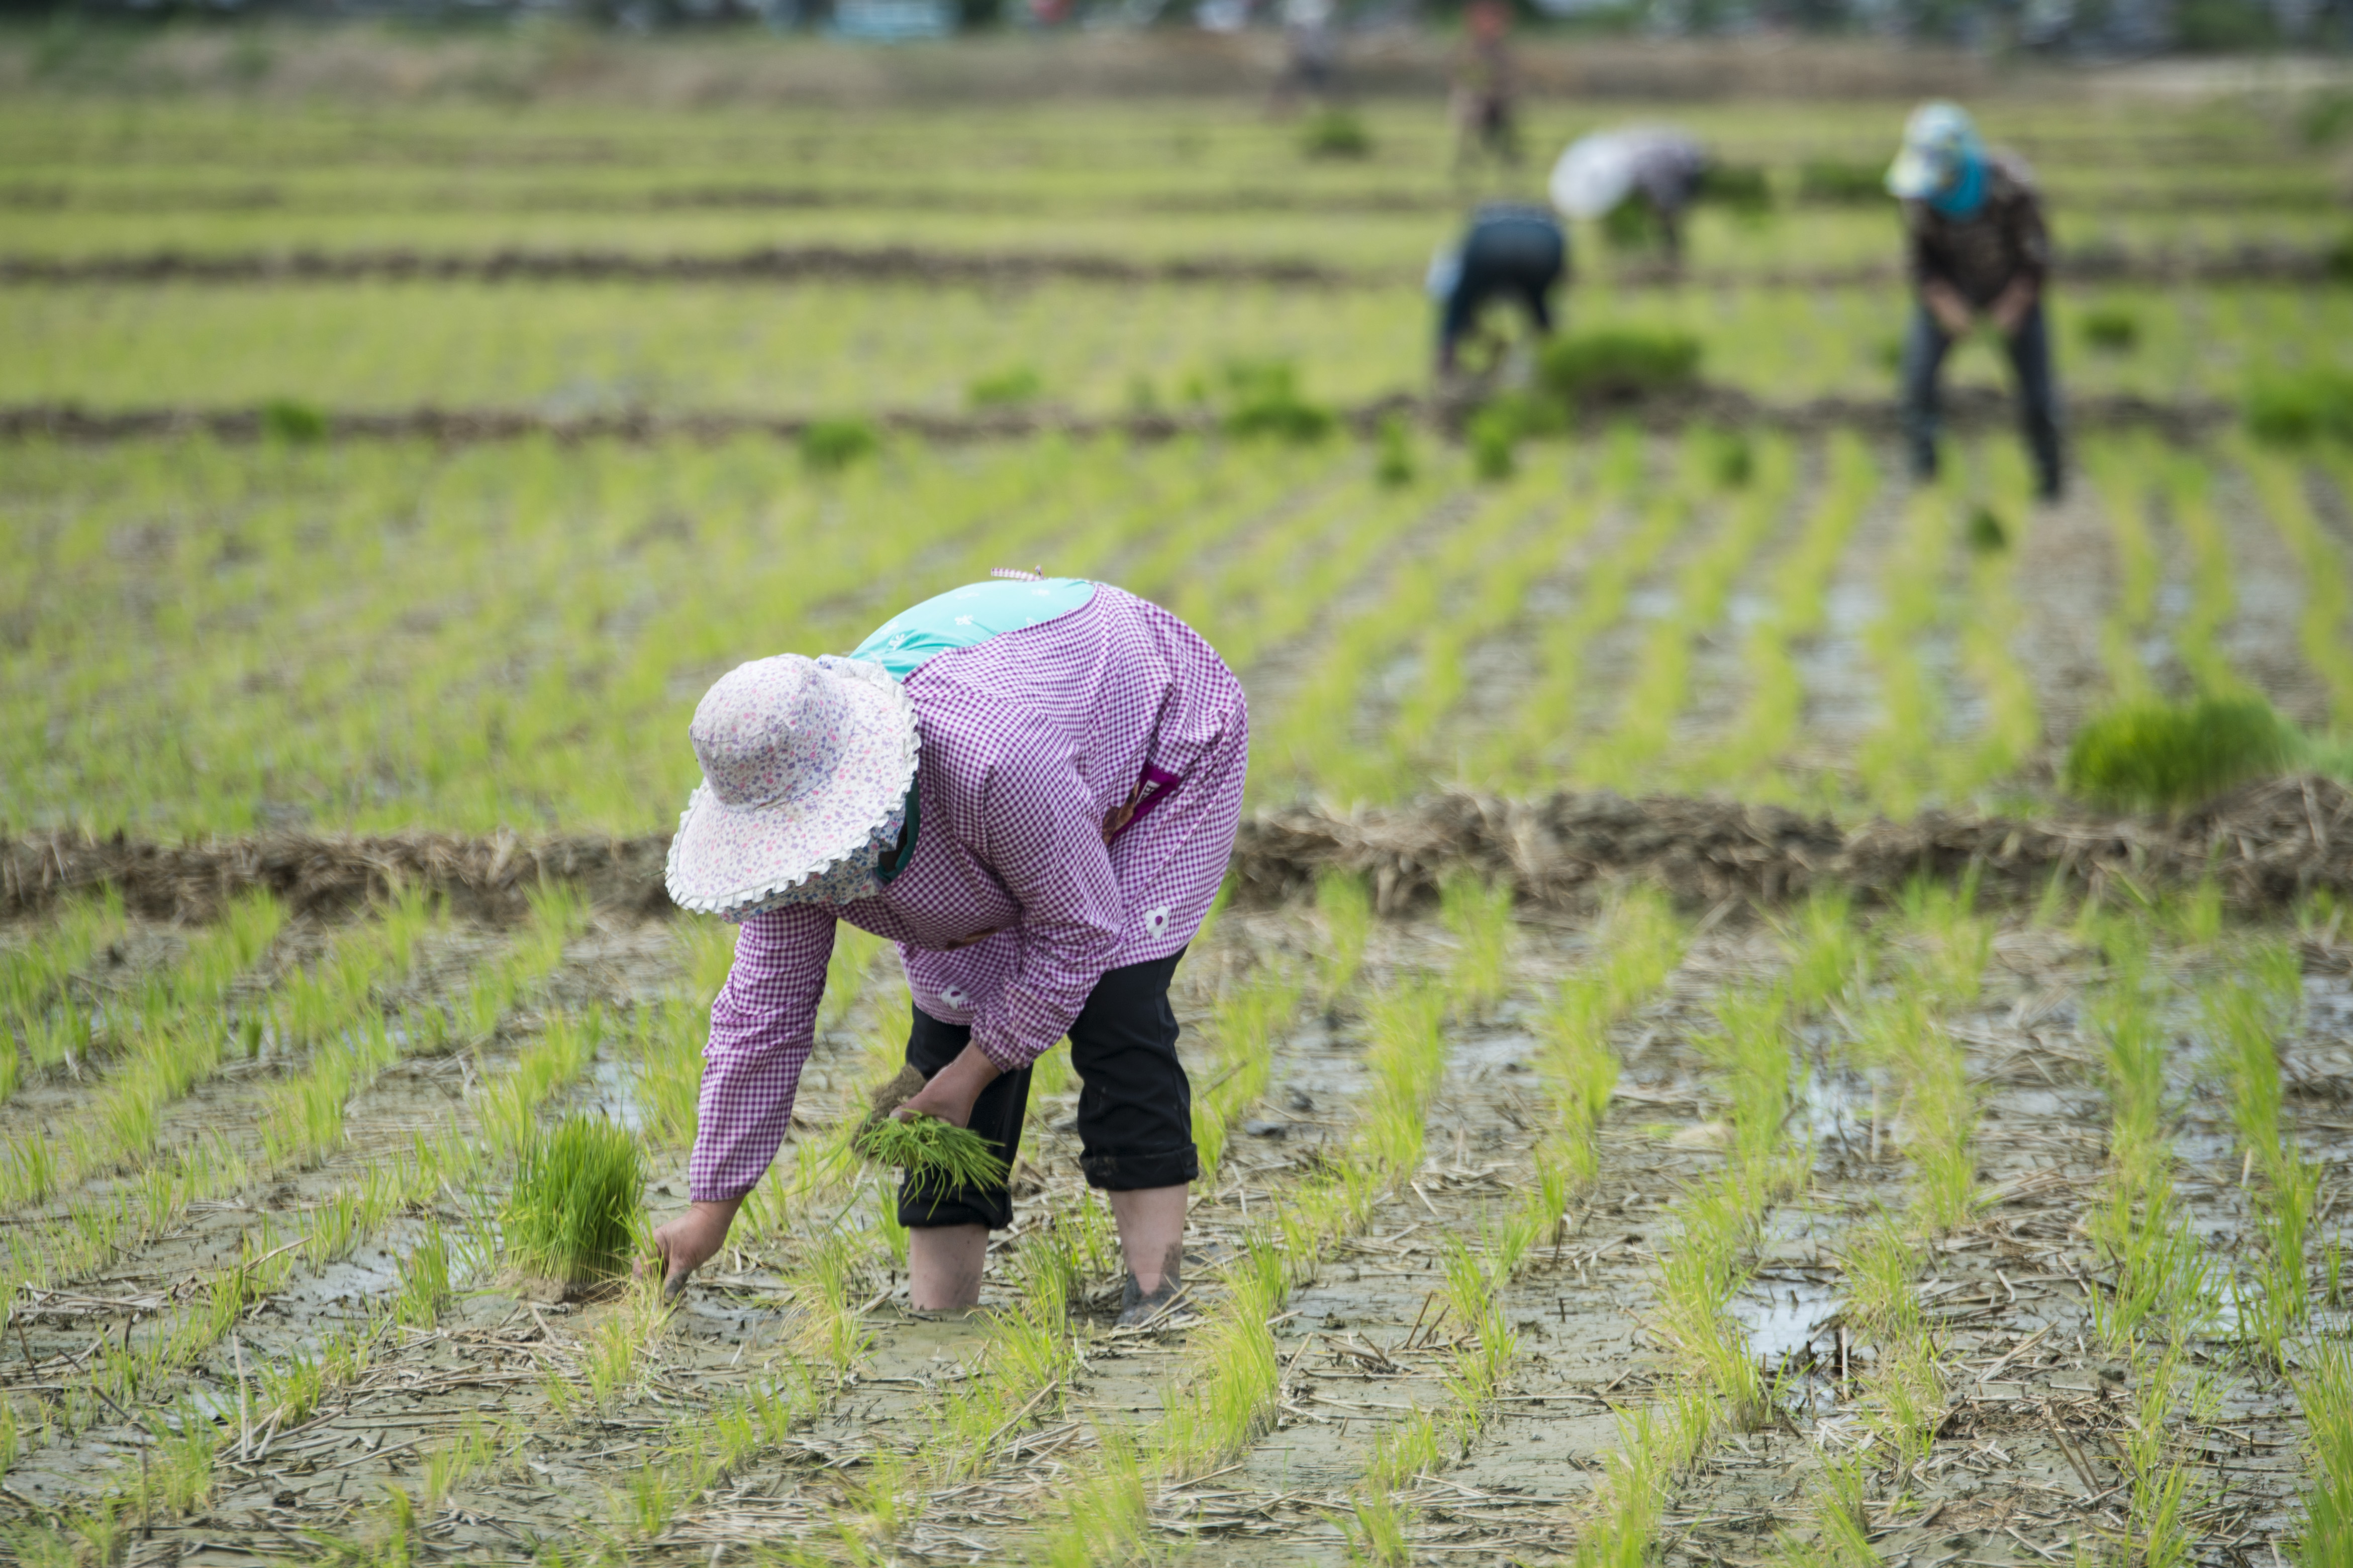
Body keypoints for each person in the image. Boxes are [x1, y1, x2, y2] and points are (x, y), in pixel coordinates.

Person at [649, 575, 1248, 1326]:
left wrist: (974, 1074)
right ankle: (939, 1318)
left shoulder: (990, 763)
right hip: (1005, 800)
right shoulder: (792, 862)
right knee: (951, 1030)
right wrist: (709, 1213)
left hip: (1156, 729)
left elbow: (1080, 930)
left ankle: (1157, 1293)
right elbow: (760, 1020)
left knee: (1114, 1008)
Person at [1886, 101, 2064, 501]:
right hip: (1952, 289)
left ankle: (2050, 481)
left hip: (2011, 287)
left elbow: (2038, 258)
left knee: (2038, 394)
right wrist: (1943, 301)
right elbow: (1921, 263)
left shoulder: (2011, 186)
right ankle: (1924, 478)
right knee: (1918, 382)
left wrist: (2014, 305)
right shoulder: (1918, 196)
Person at [1429, 202, 1567, 378]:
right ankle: (1558, 372)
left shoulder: (1479, 220)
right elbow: (1562, 277)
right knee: (1541, 312)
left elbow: (1444, 283)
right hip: (1546, 246)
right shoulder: (1544, 221)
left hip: (1487, 246)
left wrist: (1461, 322)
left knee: (1457, 308)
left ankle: (1444, 378)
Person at [1549, 127, 1709, 271]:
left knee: (1666, 218)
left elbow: (1667, 195)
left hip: (1679, 169)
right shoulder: (1622, 158)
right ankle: (1668, 257)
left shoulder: (1649, 166)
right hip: (1672, 164)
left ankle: (1670, 258)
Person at [1450, 0, 1519, 172]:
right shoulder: (1469, 50)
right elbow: (1460, 75)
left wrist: (1502, 92)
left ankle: (1507, 162)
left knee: (1502, 135)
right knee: (1469, 132)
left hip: (1497, 103)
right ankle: (1466, 164)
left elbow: (1508, 79)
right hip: (1474, 102)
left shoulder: (1500, 52)